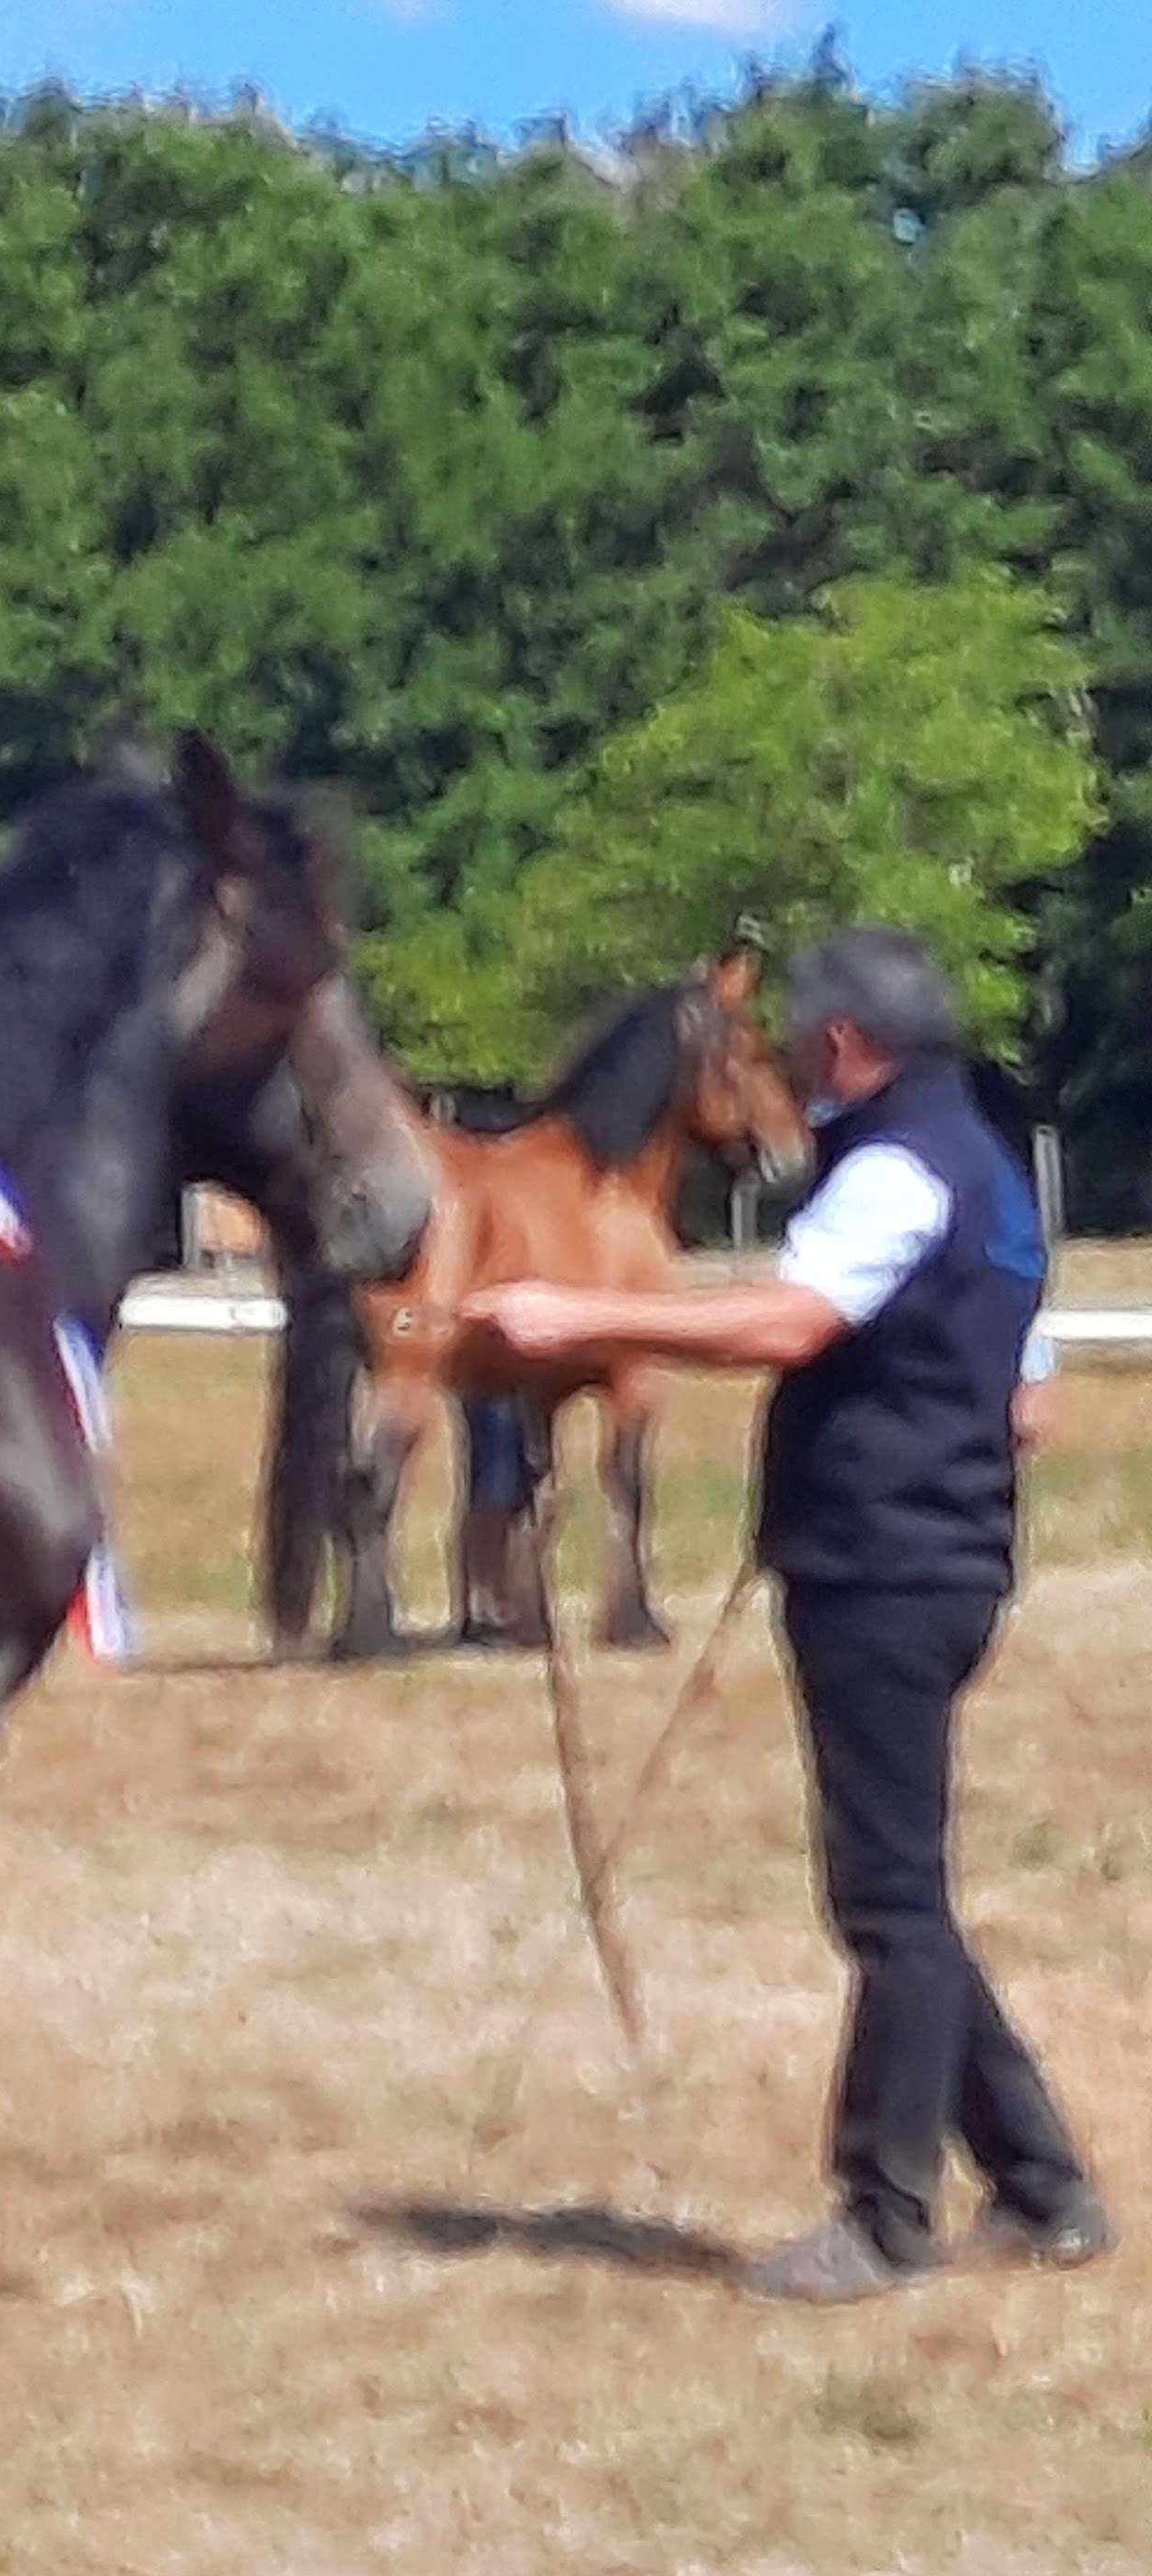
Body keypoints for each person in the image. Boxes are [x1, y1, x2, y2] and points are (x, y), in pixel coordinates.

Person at [463, 925, 1110, 2304]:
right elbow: (1030, 1395)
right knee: (904, 1894)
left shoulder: (889, 1168)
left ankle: (884, 2216)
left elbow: (785, 1325)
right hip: (941, 1556)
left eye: (807, 1039)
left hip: (885, 1568)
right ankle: (1046, 2188)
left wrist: (573, 1317)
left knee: (887, 1903)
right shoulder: (984, 1168)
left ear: (843, 1044)